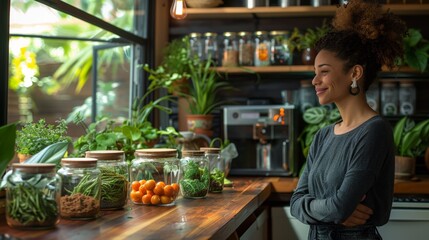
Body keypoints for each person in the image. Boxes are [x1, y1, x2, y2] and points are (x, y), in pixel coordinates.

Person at [290, 0, 407, 239]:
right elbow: (295, 202)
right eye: (315, 72)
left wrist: (324, 209)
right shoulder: (323, 135)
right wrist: (331, 211)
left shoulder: (374, 131)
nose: (315, 81)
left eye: (324, 71)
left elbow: (340, 206)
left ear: (354, 73)